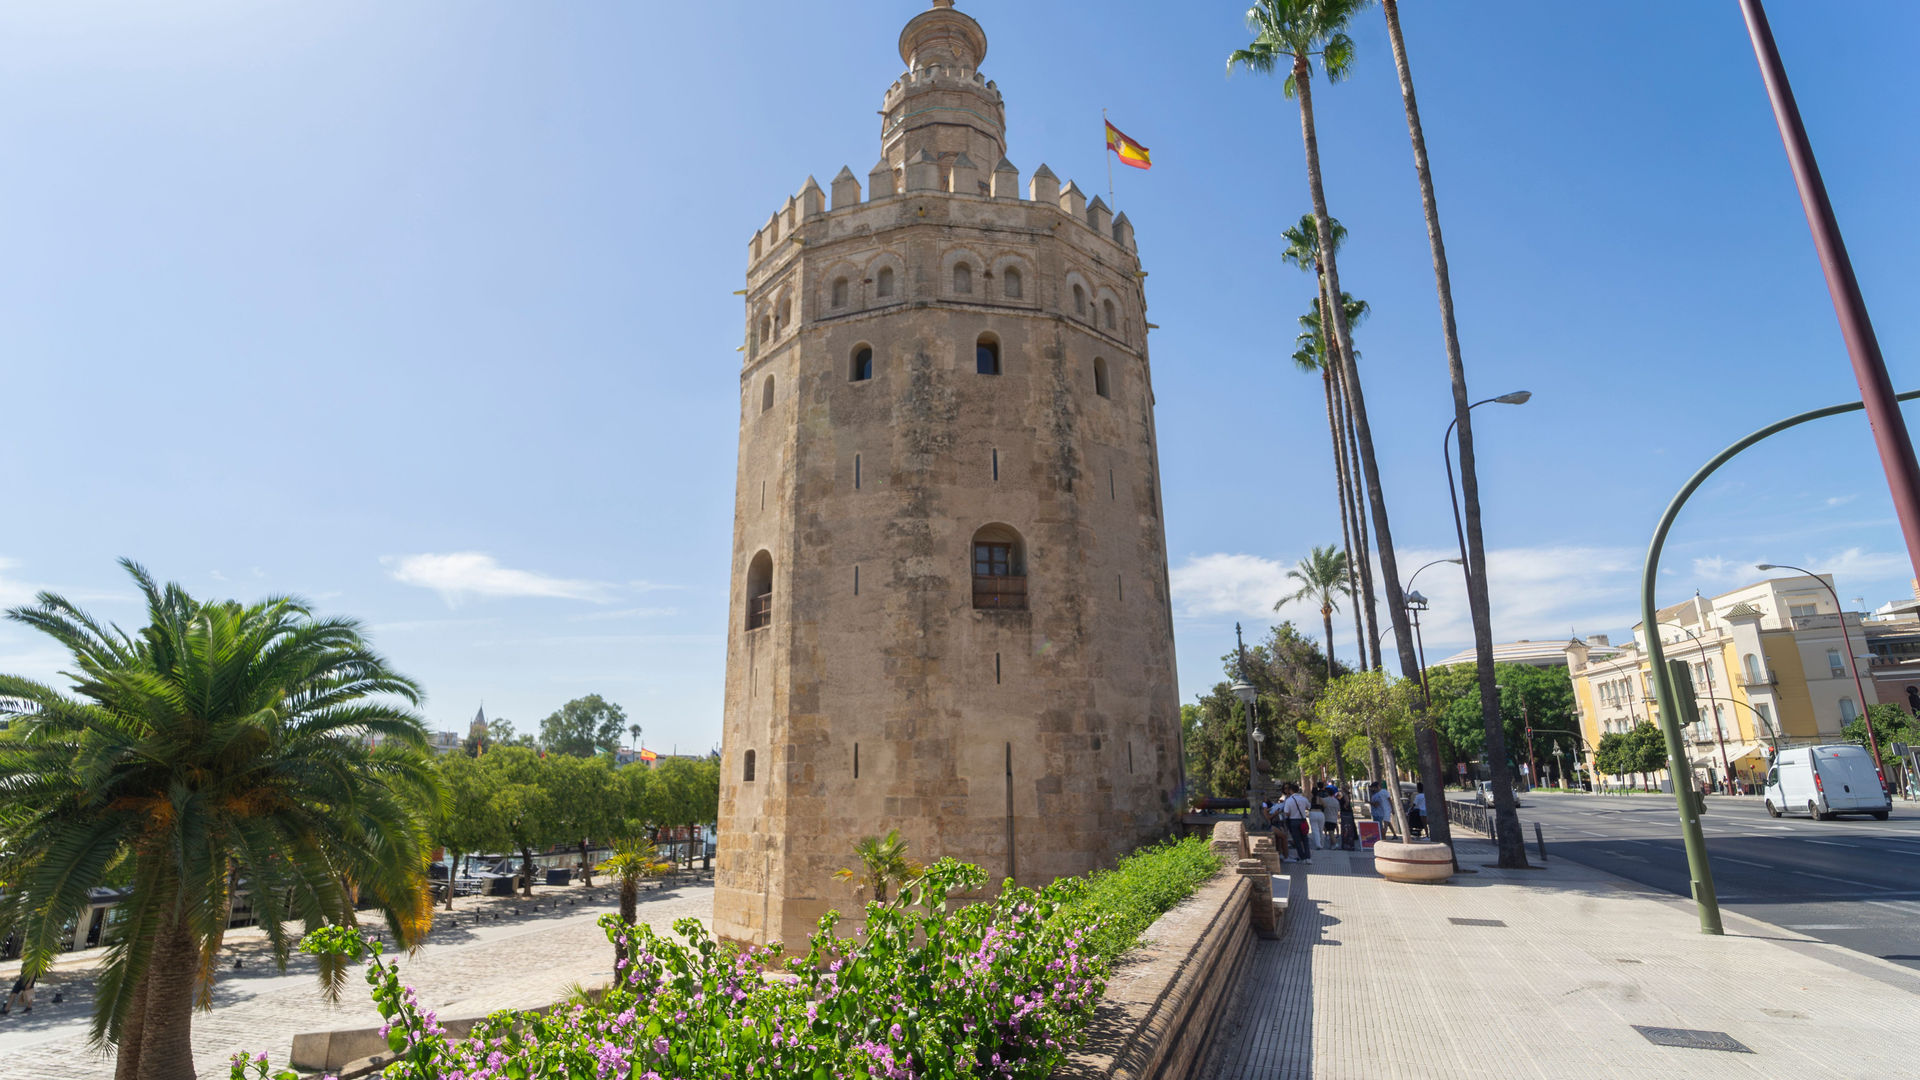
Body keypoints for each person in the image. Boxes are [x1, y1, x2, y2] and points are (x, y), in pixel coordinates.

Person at [1281, 782, 1313, 863]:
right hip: (1303, 820)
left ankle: (1302, 857)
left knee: (1297, 840)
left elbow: (1287, 813)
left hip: (1293, 821)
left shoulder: (1289, 800)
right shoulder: (1303, 799)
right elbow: (1308, 807)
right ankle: (1308, 857)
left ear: (1291, 790)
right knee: (1305, 839)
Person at [1307, 785, 1327, 850]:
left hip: (1312, 813)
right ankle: (1322, 843)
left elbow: (1307, 806)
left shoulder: (1310, 798)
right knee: (1320, 830)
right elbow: (1325, 805)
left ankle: (1318, 844)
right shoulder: (1320, 798)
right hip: (1320, 813)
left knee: (1315, 830)